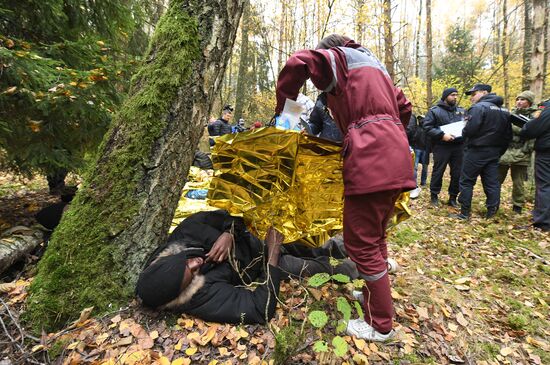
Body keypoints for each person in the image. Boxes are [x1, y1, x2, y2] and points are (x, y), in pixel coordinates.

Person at [275, 34, 415, 341]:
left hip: (370, 159)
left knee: (359, 243)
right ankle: (372, 295)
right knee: (375, 235)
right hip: (396, 157)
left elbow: (297, 63)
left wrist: (285, 110)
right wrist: (389, 134)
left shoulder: (337, 59)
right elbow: (405, 109)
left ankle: (380, 325)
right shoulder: (375, 66)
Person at [136, 210, 358, 324]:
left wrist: (229, 232)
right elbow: (259, 310)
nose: (197, 263)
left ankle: (362, 248)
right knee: (312, 269)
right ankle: (361, 269)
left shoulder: (186, 233)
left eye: (188, 262)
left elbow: (231, 213)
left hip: (253, 235)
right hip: (264, 264)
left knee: (314, 245)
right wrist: (273, 254)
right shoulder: (199, 298)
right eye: (192, 273)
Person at [453, 84, 512, 220]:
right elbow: (508, 135)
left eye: (474, 94)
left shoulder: (478, 108)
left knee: (467, 181)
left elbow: (469, 130)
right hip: (494, 152)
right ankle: (492, 213)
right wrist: (499, 151)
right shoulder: (504, 110)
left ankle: (464, 213)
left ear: (485, 92)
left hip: (476, 151)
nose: (472, 98)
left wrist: (465, 137)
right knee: (492, 182)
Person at [423, 88, 465, 207]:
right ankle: (434, 196)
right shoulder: (434, 111)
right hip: (441, 146)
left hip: (458, 146)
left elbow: (467, 126)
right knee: (438, 171)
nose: (455, 97)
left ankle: (453, 197)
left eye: (456, 95)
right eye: (452, 95)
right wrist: (442, 135)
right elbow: (427, 127)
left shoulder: (461, 111)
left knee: (457, 173)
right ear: (445, 96)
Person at [498, 91, 537, 214]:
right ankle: (493, 202)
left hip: (521, 152)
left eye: (523, 99)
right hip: (505, 151)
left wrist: (526, 150)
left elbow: (532, 133)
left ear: (529, 102)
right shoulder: (511, 114)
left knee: (518, 182)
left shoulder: (535, 116)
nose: (519, 102)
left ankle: (517, 206)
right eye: (518, 99)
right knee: (496, 179)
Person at [520, 99, 550, 231]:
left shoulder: (547, 112)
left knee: (544, 185)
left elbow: (532, 129)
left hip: (547, 153)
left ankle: (543, 222)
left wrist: (527, 125)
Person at [406, 114, 430, 198]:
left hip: (425, 150)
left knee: (425, 167)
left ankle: (423, 182)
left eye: (422, 119)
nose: (421, 120)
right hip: (416, 149)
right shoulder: (416, 128)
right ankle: (414, 184)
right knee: (414, 167)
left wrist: (429, 149)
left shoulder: (427, 129)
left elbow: (430, 140)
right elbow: (412, 136)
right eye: (419, 119)